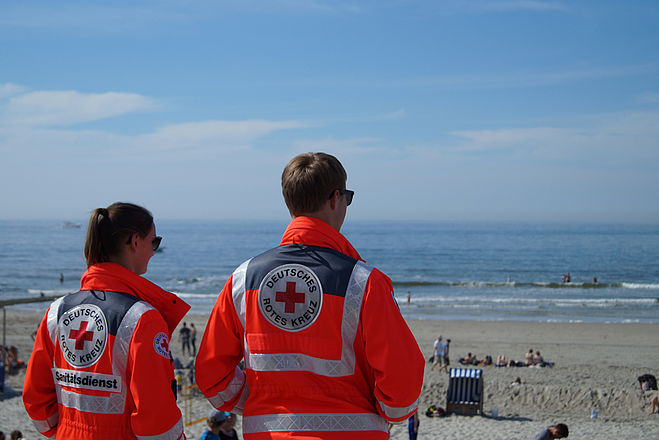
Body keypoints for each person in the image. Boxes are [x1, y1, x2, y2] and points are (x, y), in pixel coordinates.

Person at [195, 152, 425, 439]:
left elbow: (211, 372)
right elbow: (403, 377)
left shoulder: (242, 280)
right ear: (334, 198)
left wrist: (257, 403)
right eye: (347, 198)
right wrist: (386, 412)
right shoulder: (363, 282)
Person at [23, 202, 189, 439]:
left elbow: (36, 401)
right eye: (154, 241)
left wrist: (67, 429)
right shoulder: (141, 318)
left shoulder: (56, 312)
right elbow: (156, 419)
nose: (153, 251)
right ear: (135, 241)